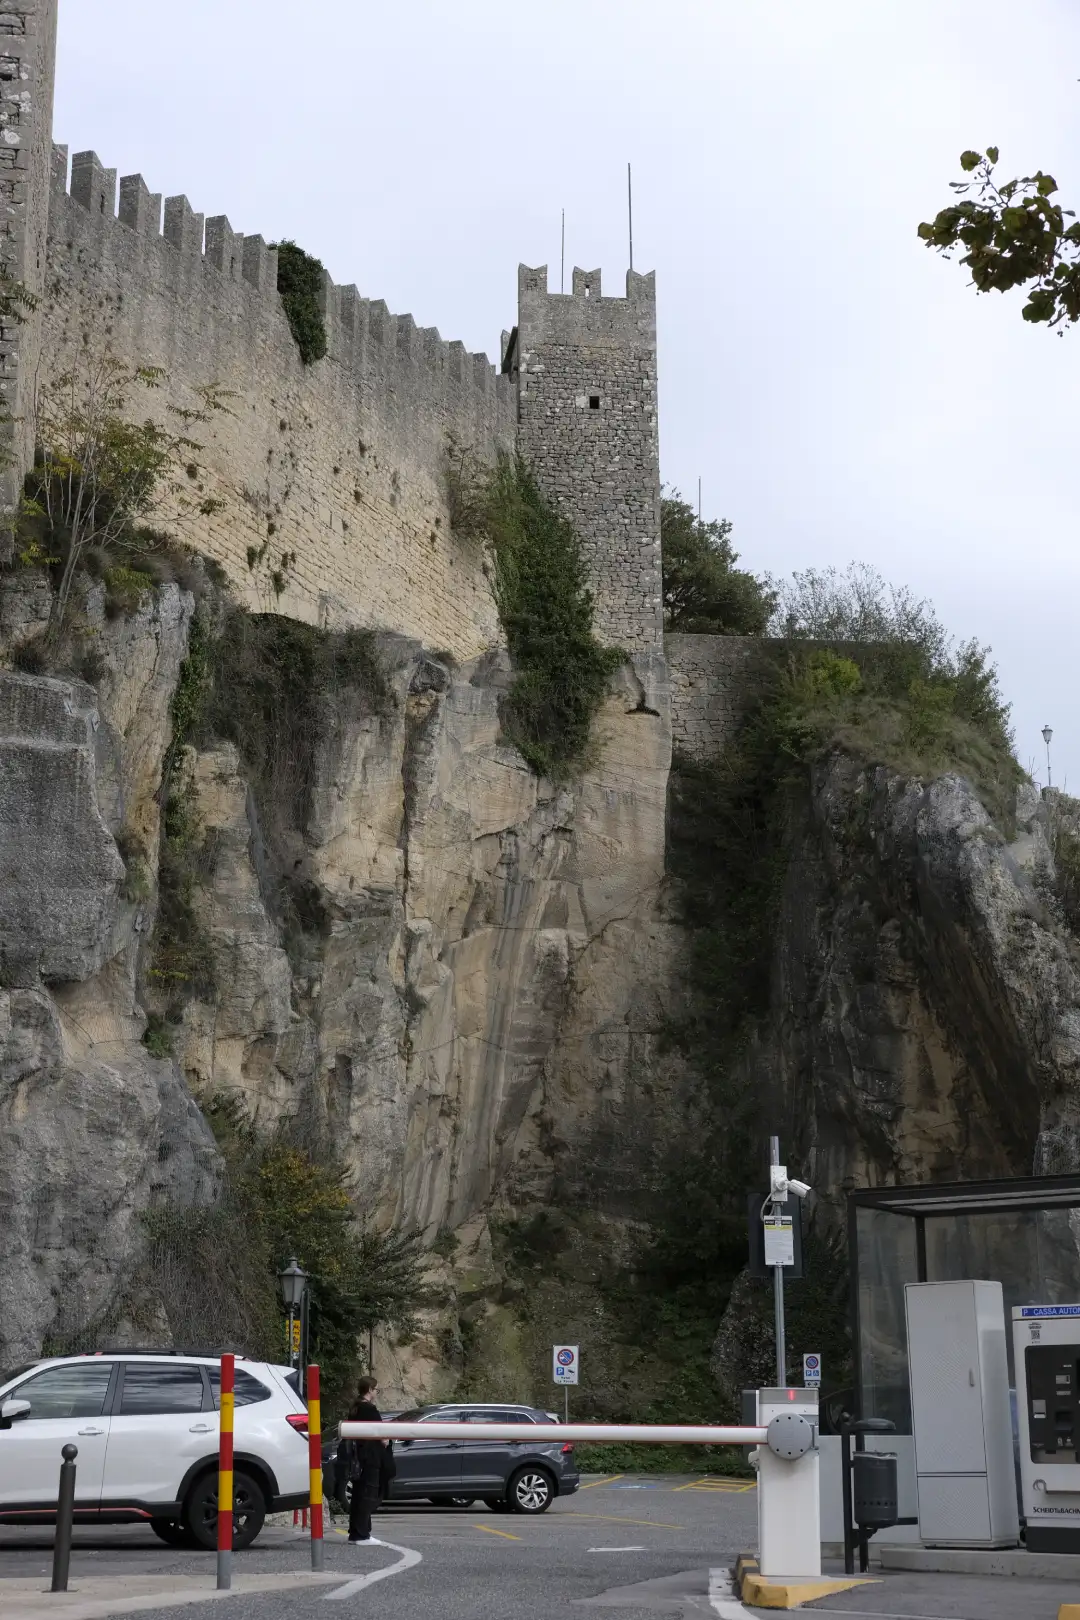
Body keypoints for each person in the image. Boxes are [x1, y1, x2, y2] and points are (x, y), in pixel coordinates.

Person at [336, 1379, 392, 1544]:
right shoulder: (369, 1409)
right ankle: (361, 1534)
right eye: (376, 1390)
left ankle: (356, 1532)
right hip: (369, 1457)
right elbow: (380, 1434)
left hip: (358, 1457)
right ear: (369, 1389)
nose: (376, 1394)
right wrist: (386, 1440)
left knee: (359, 1495)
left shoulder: (355, 1407)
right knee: (367, 1494)